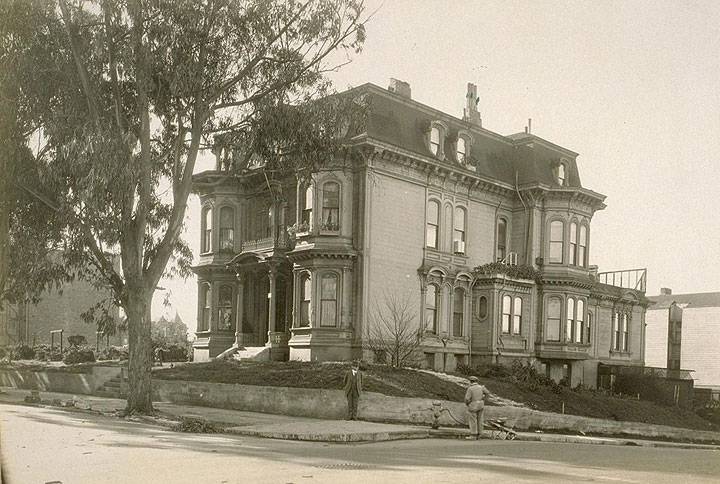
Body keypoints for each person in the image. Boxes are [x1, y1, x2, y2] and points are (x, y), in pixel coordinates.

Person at [464, 375, 490, 440]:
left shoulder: (470, 388)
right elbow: (487, 393)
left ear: (471, 381)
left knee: (473, 420)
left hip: (473, 404)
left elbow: (467, 399)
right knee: (480, 419)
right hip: (481, 404)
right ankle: (480, 434)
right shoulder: (481, 387)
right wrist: (484, 399)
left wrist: (467, 404)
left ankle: (473, 434)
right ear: (476, 381)